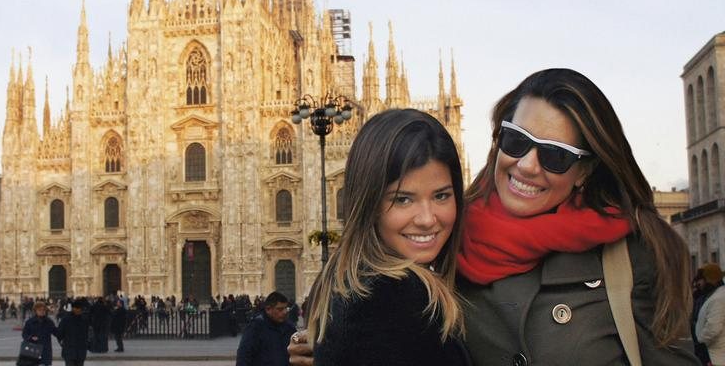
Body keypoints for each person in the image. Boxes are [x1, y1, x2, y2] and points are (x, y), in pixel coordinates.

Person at [289, 69, 698, 365]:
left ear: (584, 172)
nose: (528, 166)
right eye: (517, 141)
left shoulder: (630, 255)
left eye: (556, 156)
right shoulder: (446, 248)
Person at [307, 109, 469, 365]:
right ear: (368, 203)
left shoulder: (348, 284)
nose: (427, 219)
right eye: (403, 199)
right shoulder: (396, 297)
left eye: (441, 196)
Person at [236, 291, 296, 366]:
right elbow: (244, 355)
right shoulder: (256, 327)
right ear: (268, 309)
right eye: (280, 309)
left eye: (286, 308)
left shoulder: (290, 328)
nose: (284, 312)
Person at [696, 263, 725, 365]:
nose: (699, 284)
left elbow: (713, 328)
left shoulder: (718, 299)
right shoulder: (716, 295)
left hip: (715, 356)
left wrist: (701, 340)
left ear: (709, 280)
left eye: (702, 280)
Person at [21, 302, 58, 366]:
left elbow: (56, 332)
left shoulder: (49, 322)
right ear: (35, 311)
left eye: (43, 310)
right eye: (40, 310)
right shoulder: (30, 322)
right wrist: (30, 338)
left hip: (46, 350)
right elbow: (24, 334)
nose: (42, 311)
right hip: (33, 349)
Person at [58, 298, 90, 366]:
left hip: (78, 350)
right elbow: (59, 333)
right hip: (70, 350)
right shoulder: (66, 319)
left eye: (80, 309)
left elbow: (87, 333)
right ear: (73, 308)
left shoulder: (84, 319)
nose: (79, 310)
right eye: (78, 308)